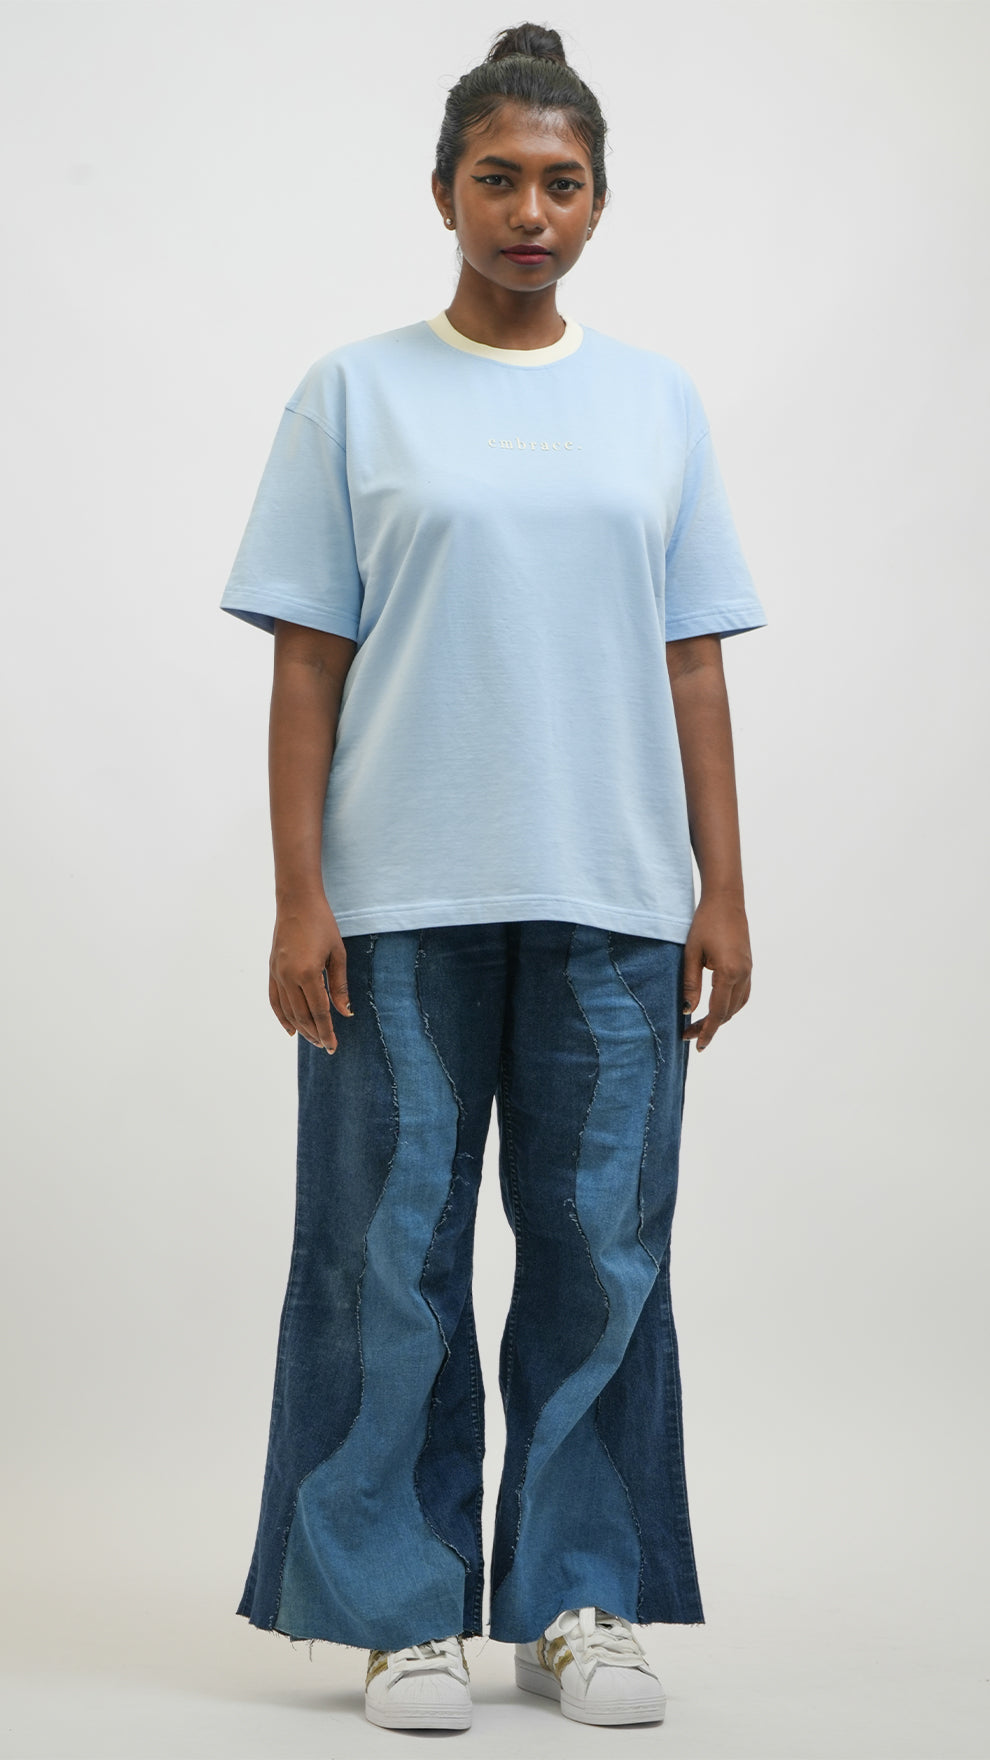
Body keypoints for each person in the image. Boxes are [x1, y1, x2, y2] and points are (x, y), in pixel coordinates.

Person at [218, 20, 767, 1736]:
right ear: (444, 192)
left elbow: (691, 662)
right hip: (396, 903)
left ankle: (575, 1600)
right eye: (498, 179)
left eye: (562, 183)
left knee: (603, 1252)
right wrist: (298, 897)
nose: (530, 212)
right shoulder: (353, 392)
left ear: (598, 202)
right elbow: (307, 660)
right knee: (384, 1257)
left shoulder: (654, 400)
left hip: (614, 897)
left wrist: (722, 890)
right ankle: (398, 1615)